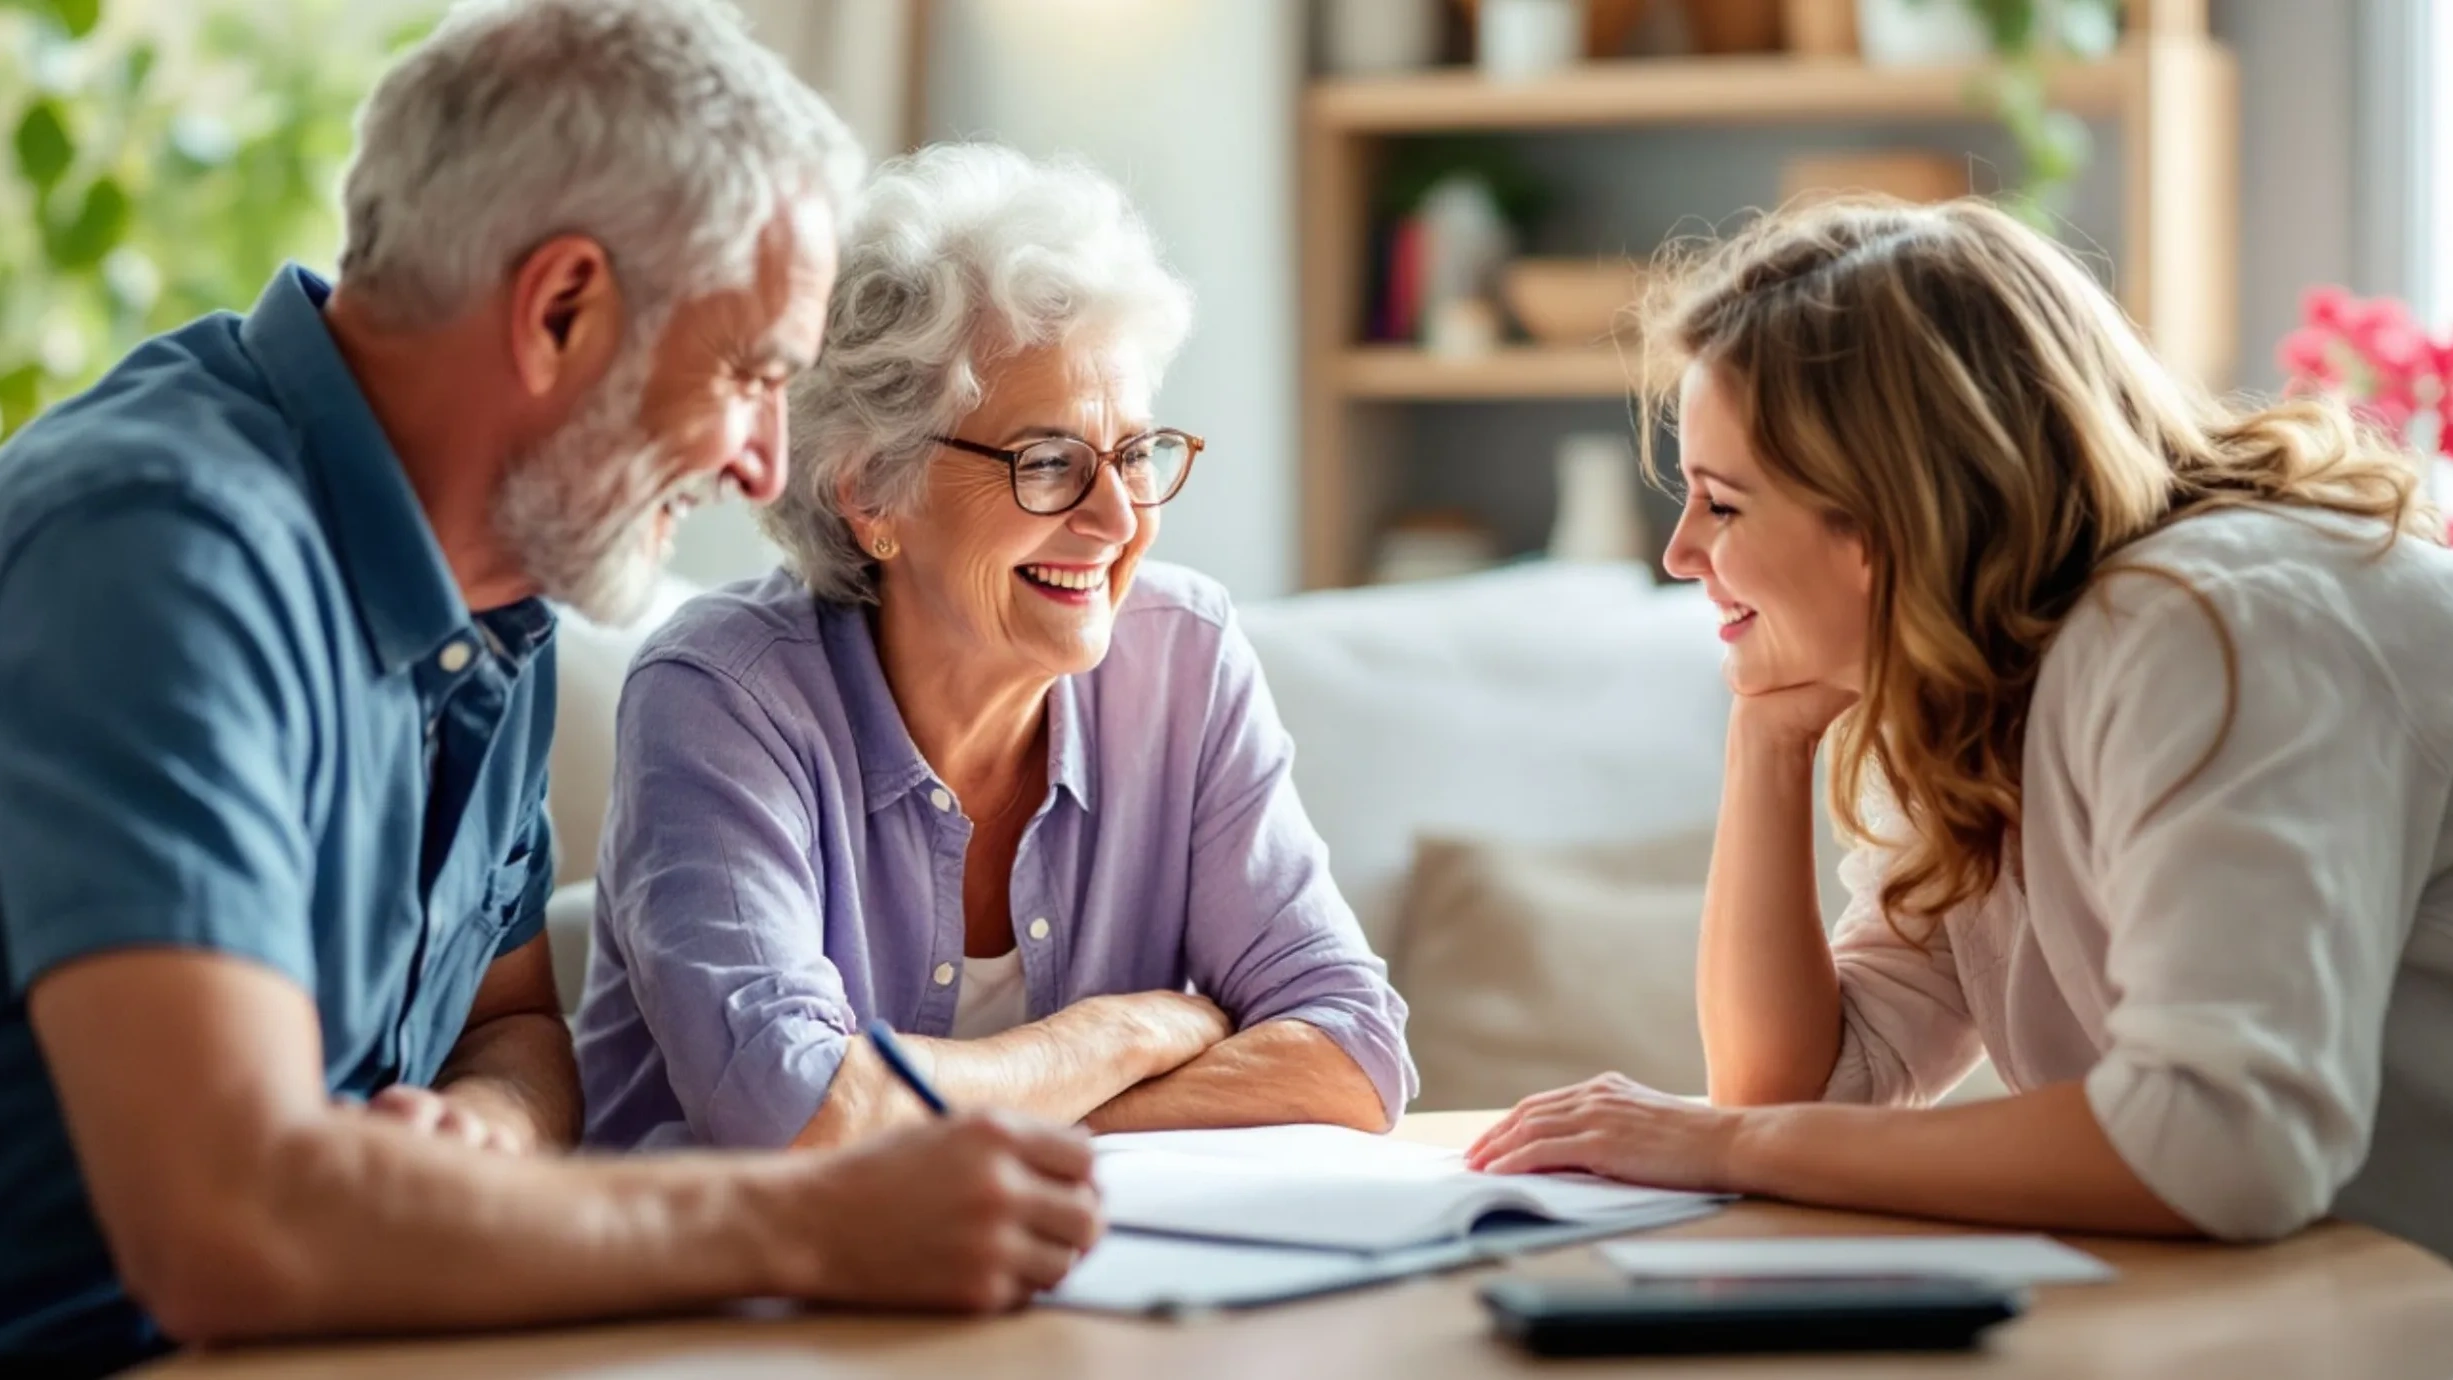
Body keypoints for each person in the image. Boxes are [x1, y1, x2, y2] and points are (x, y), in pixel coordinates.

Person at [0, 4, 1099, 1372]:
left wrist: (486, 1131)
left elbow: (511, 1026)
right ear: (561, 309)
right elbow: (233, 1222)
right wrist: (808, 1219)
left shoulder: (493, 583)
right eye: (753, 375)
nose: (764, 467)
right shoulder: (161, 551)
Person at [1466, 197, 2453, 1261]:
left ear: (1884, 516)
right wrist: (1766, 741)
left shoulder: (2209, 625)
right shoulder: (1985, 681)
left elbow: (2221, 1145)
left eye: (1720, 503)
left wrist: (1724, 1144)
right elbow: (1804, 1089)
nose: (1678, 552)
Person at [575, 143, 1414, 1152]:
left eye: (1134, 453)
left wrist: (993, 1110)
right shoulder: (721, 698)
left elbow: (1355, 1055)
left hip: (1062, 1287)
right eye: (1048, 461)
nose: (1116, 520)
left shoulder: (1182, 659)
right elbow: (794, 1109)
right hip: (719, 1298)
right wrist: (1125, 1030)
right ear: (871, 492)